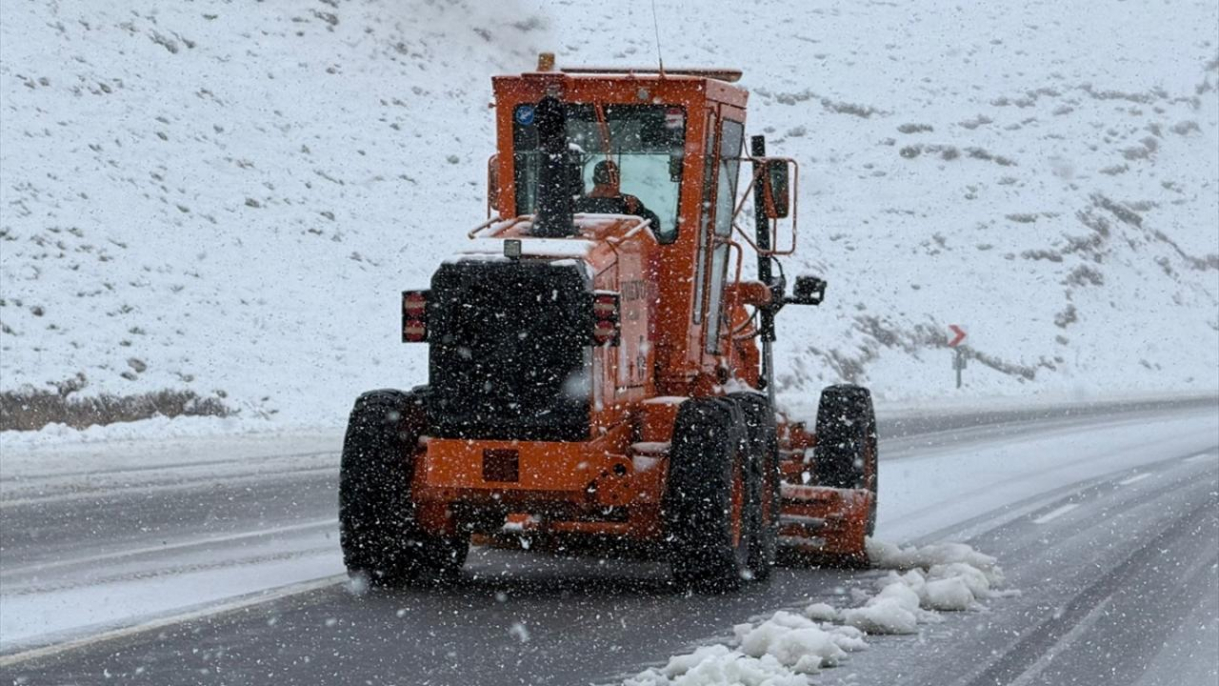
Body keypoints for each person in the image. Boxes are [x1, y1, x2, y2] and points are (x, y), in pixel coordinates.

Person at [574, 160, 662, 231]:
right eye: (603, 181)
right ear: (594, 181)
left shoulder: (629, 203)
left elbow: (651, 225)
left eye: (612, 180)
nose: (607, 188)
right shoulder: (581, 204)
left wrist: (637, 211)